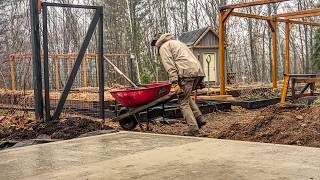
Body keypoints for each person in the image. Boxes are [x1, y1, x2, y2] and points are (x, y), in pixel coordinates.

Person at [151, 33, 207, 136]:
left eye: (155, 44)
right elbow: (192, 58)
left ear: (157, 41)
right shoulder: (178, 43)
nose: (156, 47)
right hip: (197, 72)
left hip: (185, 73)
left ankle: (193, 129)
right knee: (186, 97)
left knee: (183, 102)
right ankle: (199, 118)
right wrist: (201, 79)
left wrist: (174, 82)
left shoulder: (163, 47)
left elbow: (170, 66)